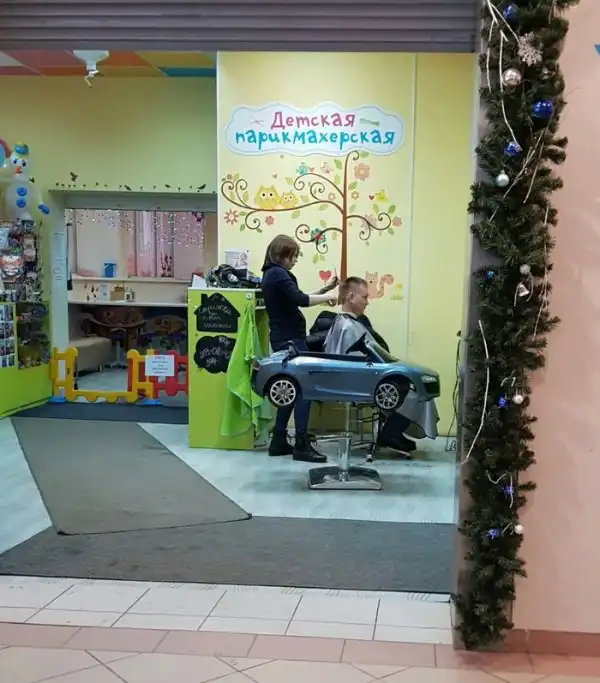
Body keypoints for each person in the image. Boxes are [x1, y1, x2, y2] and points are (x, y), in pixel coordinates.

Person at [324, 276, 432, 456]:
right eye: (365, 297)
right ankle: (390, 433)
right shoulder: (348, 327)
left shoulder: (349, 323)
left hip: (357, 378)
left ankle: (392, 431)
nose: (368, 302)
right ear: (351, 297)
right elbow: (353, 362)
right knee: (414, 386)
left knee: (407, 381)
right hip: (353, 383)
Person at [261, 234, 338, 462]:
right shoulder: (278, 274)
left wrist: (326, 289)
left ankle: (278, 440)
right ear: (280, 255)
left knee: (290, 390)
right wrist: (331, 295)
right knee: (303, 390)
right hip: (290, 340)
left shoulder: (272, 274)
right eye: (292, 256)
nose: (295, 260)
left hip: (285, 338)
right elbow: (301, 300)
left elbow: (299, 297)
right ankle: (302, 444)